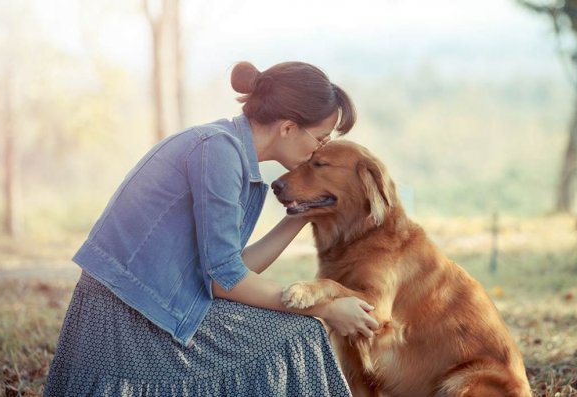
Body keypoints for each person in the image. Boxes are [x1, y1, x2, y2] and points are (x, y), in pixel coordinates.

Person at [44, 61, 379, 397]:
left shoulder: (227, 148)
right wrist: (325, 307)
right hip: (126, 321)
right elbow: (224, 281)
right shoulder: (218, 151)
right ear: (289, 128)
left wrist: (301, 214)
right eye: (321, 138)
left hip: (156, 307)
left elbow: (231, 269)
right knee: (299, 334)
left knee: (296, 330)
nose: (319, 150)